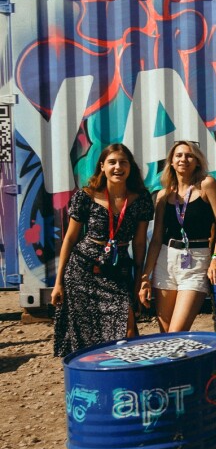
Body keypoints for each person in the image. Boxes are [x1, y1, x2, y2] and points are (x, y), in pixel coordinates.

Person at [51, 144, 154, 356]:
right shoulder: (86, 196)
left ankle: (130, 371)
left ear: (130, 167)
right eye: (112, 162)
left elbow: (139, 243)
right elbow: (70, 238)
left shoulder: (141, 199)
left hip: (118, 271)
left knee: (128, 328)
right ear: (102, 166)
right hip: (82, 271)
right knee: (86, 335)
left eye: (123, 162)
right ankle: (93, 373)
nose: (118, 167)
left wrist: (139, 280)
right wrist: (58, 282)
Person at [140, 140, 216, 332]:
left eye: (189, 155)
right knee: (165, 335)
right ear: (171, 162)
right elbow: (156, 239)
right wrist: (146, 275)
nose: (183, 159)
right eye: (178, 155)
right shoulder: (163, 195)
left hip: (196, 261)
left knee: (176, 332)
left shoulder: (207, 185)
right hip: (166, 261)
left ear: (197, 161)